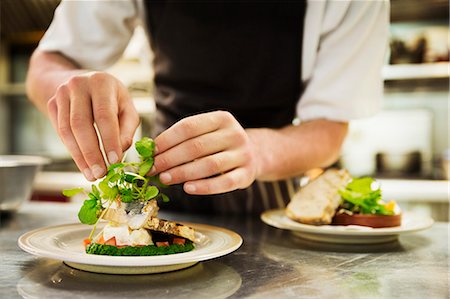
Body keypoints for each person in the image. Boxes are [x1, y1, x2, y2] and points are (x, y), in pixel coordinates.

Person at [26, 1, 389, 214]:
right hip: (165, 186)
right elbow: (45, 66)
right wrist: (70, 86)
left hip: (274, 192)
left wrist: (257, 152)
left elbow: (329, 128)